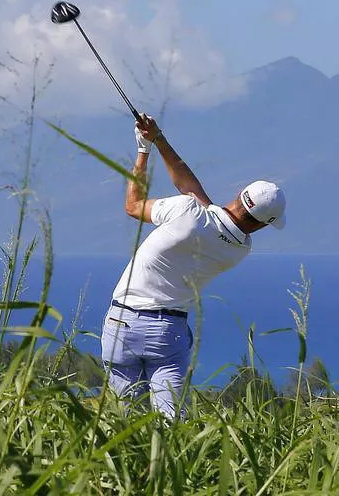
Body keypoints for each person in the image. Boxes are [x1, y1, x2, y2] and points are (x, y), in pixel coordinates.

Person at [101, 115, 287, 418]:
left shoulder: (188, 211)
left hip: (121, 321)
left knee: (124, 421)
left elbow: (134, 206)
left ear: (239, 195)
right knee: (171, 422)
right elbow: (197, 195)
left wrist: (145, 150)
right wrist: (158, 139)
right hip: (167, 331)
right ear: (262, 226)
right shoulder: (239, 249)